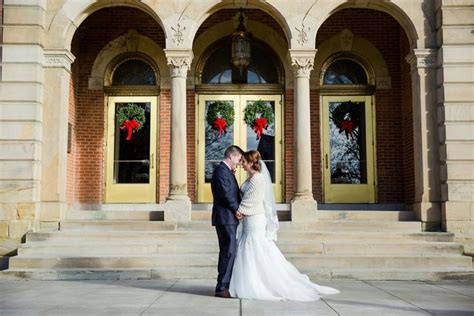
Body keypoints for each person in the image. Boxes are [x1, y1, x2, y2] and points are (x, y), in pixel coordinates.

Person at [229, 150, 340, 301]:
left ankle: (261, 283)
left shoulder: (257, 179)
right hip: (250, 218)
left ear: (251, 163)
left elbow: (253, 199)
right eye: (241, 161)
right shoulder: (251, 178)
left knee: (254, 246)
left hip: (255, 218)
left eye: (244, 162)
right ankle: (253, 281)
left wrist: (240, 211)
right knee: (251, 247)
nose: (242, 164)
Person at [210, 145, 244, 298]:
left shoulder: (226, 171)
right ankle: (222, 287)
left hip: (227, 218)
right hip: (225, 218)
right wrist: (237, 209)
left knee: (227, 252)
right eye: (238, 158)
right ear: (231, 156)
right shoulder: (220, 171)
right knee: (228, 252)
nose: (239, 162)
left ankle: (224, 284)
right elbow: (225, 194)